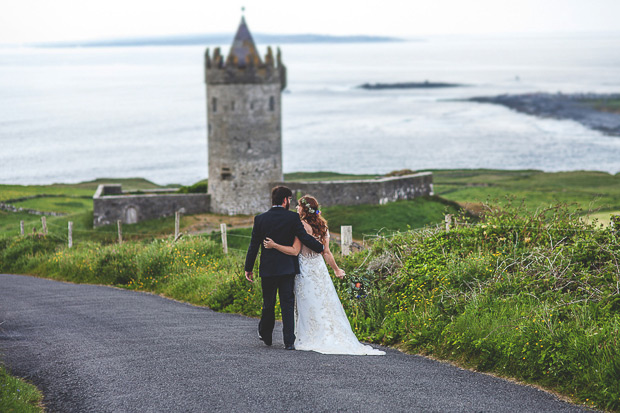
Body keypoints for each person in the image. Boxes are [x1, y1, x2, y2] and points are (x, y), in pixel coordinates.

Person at [263, 195, 385, 356]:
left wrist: (274, 245)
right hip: (319, 268)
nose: (297, 209)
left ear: (305, 209)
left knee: (307, 302)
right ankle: (329, 331)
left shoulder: (300, 225)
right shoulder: (323, 226)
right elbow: (326, 252)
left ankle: (309, 335)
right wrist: (336, 269)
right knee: (324, 301)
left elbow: (295, 250)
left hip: (305, 268)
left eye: (299, 206)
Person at [244, 186, 324, 350]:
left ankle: (266, 336)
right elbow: (304, 237)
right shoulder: (292, 218)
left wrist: (248, 267)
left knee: (268, 302)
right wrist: (320, 248)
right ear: (285, 200)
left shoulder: (260, 219)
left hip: (268, 269)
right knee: (287, 303)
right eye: (289, 199)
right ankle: (289, 341)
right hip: (287, 268)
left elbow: (254, 246)